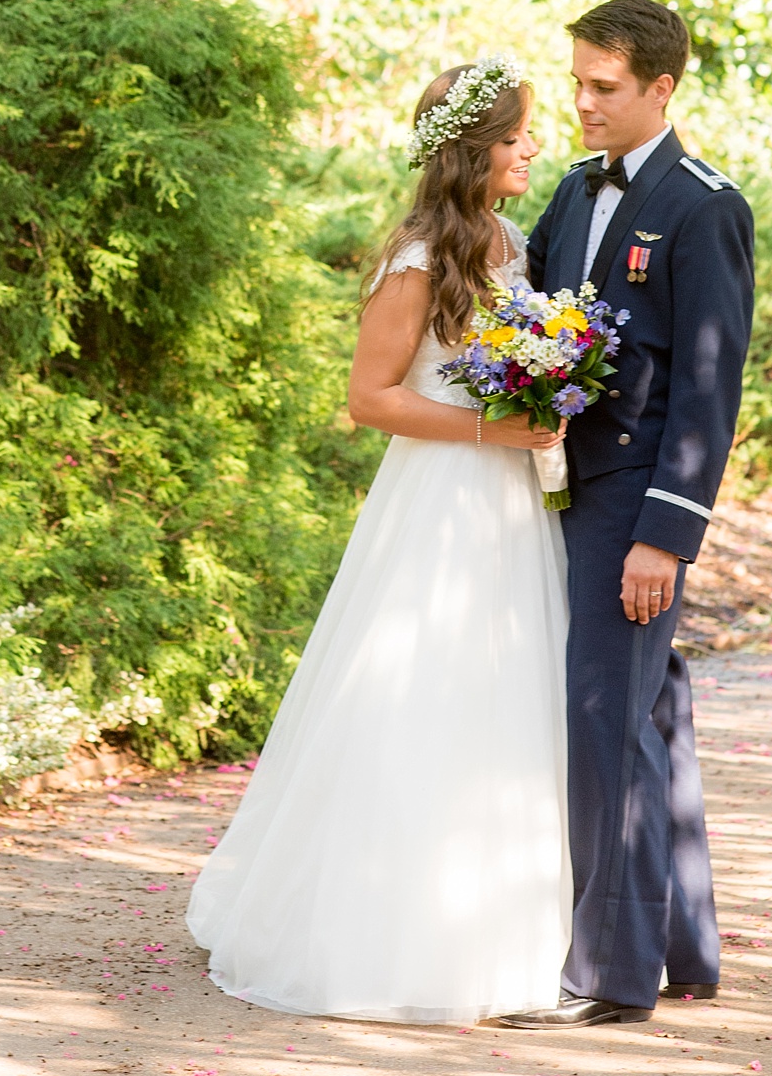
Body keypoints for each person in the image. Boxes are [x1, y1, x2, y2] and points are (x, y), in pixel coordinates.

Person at [187, 55, 571, 1025]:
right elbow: (369, 398)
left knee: (503, 703)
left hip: (510, 505)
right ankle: (383, 933)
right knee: (424, 696)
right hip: (439, 502)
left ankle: (499, 925)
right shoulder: (413, 257)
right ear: (474, 148)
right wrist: (495, 425)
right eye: (517, 131)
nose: (531, 145)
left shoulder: (510, 241)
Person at [489, 0, 753, 1030]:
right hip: (564, 490)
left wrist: (664, 532)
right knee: (647, 715)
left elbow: (706, 387)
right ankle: (680, 945)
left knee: (604, 719)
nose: (583, 102)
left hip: (633, 507)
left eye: (604, 86)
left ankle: (606, 970)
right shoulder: (568, 192)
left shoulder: (702, 206)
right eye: (577, 82)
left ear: (659, 88)